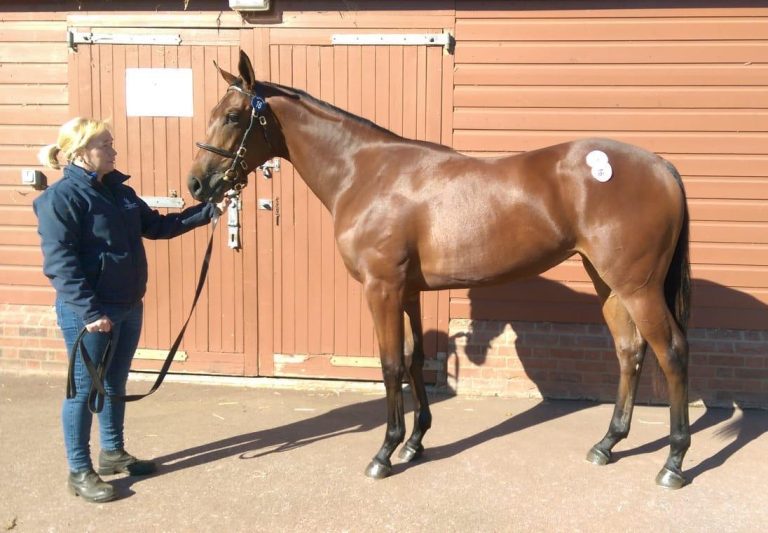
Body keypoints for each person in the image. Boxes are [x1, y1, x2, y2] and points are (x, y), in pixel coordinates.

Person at [33, 117, 228, 503]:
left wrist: (209, 210)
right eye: (105, 144)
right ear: (80, 151)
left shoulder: (120, 193)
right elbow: (60, 264)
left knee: (114, 384)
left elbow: (158, 226)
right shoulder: (61, 199)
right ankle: (79, 470)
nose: (113, 150)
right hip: (89, 315)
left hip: (126, 306)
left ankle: (112, 453)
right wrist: (90, 313)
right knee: (83, 391)